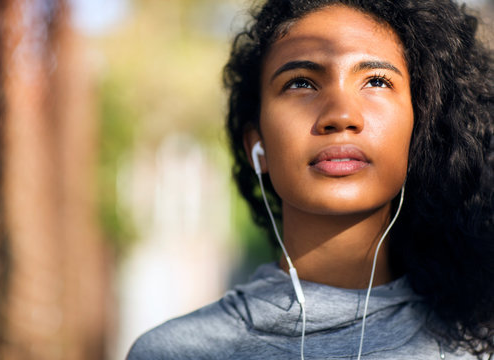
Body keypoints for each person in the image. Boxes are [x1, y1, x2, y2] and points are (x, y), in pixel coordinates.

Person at [127, 0, 494, 359]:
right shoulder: (172, 351)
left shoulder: (478, 347)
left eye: (377, 81)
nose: (341, 114)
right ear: (258, 145)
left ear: (420, 131)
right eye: (301, 83)